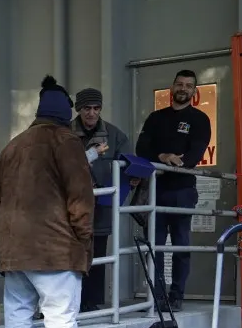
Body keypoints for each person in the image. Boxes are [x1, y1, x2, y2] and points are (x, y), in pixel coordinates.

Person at [0, 76, 96, 328]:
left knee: (19, 312)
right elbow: (80, 198)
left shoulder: (14, 144)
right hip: (55, 250)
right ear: (65, 112)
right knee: (60, 315)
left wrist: (9, 232)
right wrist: (83, 238)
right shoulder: (67, 142)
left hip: (15, 251)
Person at [135, 69, 211, 312]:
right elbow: (141, 149)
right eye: (179, 84)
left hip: (182, 191)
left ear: (194, 91)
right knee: (153, 247)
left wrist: (168, 164)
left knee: (180, 246)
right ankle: (156, 297)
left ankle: (176, 296)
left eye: (189, 86)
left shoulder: (199, 119)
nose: (183, 88)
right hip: (155, 191)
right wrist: (162, 156)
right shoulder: (155, 118)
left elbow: (194, 155)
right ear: (172, 87)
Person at [71, 88, 130, 313]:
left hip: (101, 205)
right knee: (72, 251)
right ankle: (72, 299)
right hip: (72, 203)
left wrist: (120, 193)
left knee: (98, 252)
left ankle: (93, 301)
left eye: (96, 108)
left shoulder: (115, 136)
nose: (92, 113)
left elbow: (128, 166)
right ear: (79, 109)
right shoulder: (64, 132)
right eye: (87, 108)